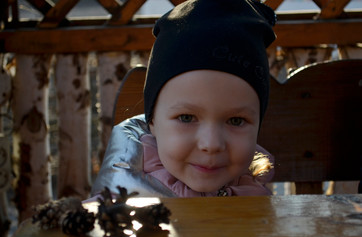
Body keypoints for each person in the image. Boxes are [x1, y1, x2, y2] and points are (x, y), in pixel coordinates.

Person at [91, 0, 277, 198]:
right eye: (187, 118)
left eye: (236, 121)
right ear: (152, 120)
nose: (211, 144)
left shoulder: (252, 192)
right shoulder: (120, 204)